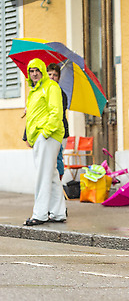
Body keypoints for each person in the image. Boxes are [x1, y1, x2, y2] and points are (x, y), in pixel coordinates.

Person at [24, 58, 66, 226]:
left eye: (37, 70)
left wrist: (45, 132)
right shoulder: (34, 91)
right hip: (40, 137)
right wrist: (30, 136)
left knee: (43, 175)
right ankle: (58, 212)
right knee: (53, 175)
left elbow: (56, 112)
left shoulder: (51, 87)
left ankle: (40, 214)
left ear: (42, 71)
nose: (34, 73)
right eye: (31, 71)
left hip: (49, 136)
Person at [47, 63, 69, 180]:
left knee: (57, 157)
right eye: (49, 74)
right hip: (50, 130)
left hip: (61, 131)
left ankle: (58, 183)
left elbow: (58, 114)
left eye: (55, 75)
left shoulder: (61, 94)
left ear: (59, 78)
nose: (52, 77)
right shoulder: (45, 92)